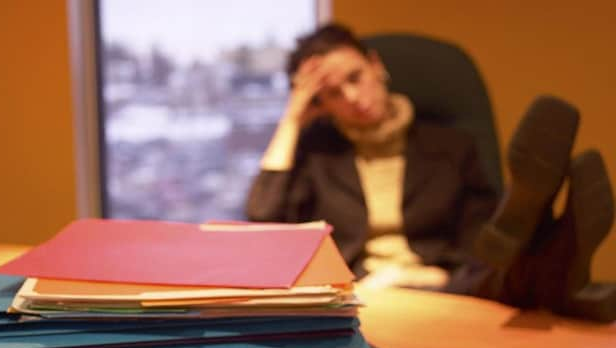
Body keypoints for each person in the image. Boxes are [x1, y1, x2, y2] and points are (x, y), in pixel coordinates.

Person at [246, 23, 616, 321]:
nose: (353, 99)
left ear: (375, 65)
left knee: (498, 268)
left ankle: (535, 217)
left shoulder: (451, 146)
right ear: (319, 104)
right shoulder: (317, 154)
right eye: (333, 95)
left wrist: (433, 277)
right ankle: (565, 260)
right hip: (363, 296)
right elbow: (263, 221)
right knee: (523, 282)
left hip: (447, 285)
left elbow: (480, 237)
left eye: (355, 77)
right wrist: (293, 118)